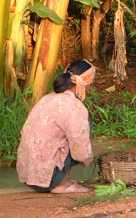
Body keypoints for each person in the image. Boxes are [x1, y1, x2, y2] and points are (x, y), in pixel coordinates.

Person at [17, 60, 96, 193]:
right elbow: (80, 147)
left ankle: (62, 179)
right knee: (84, 125)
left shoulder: (46, 99)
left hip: (27, 177)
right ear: (84, 83)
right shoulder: (75, 107)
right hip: (49, 179)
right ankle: (62, 184)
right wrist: (88, 160)